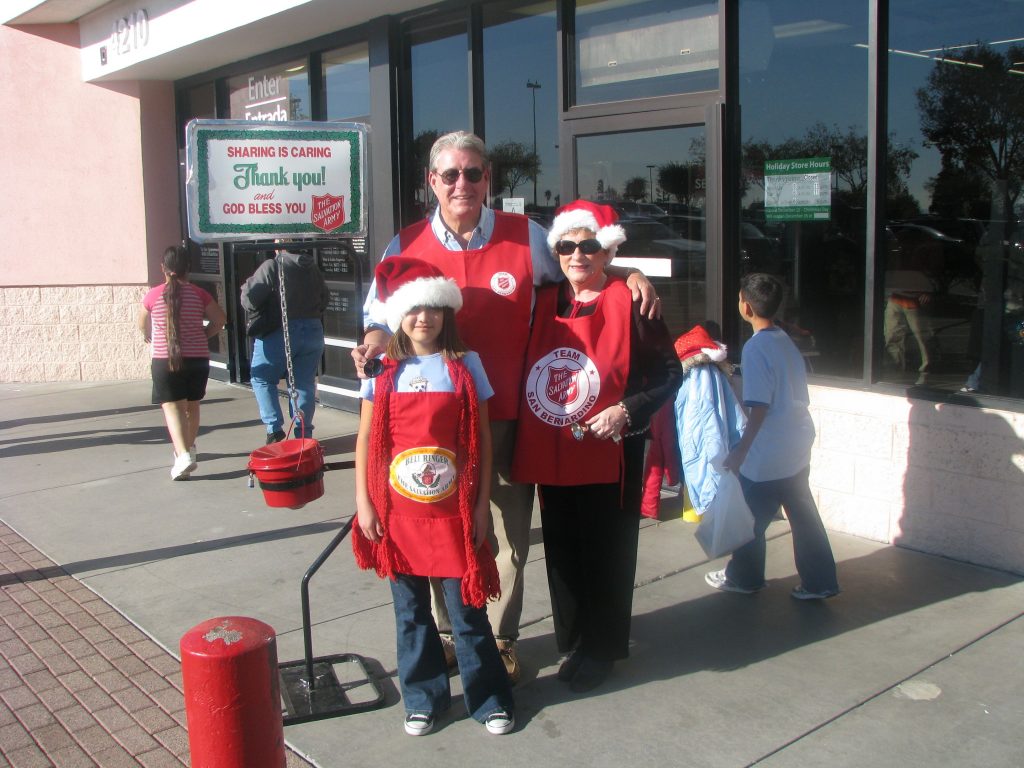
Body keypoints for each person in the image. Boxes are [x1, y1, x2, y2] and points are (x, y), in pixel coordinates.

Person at [352, 131, 661, 683]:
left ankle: (500, 638)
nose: (463, 184)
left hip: (507, 418)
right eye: (451, 174)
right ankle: (450, 635)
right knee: (432, 525)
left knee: (506, 537)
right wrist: (374, 339)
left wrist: (628, 274)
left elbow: (580, 271)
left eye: (473, 173)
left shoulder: (528, 236)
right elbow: (379, 315)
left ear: (487, 178)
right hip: (426, 422)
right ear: (432, 182)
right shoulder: (404, 244)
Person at [511, 200, 683, 693]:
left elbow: (668, 374)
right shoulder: (543, 299)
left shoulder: (633, 302)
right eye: (567, 246)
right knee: (563, 549)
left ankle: (603, 647)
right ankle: (575, 639)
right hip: (554, 450)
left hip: (611, 452)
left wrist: (628, 410)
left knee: (607, 551)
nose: (577, 255)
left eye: (589, 245)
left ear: (607, 250)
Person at [351, 256, 515, 737]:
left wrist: (481, 505)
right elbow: (365, 438)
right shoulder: (382, 370)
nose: (423, 318)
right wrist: (364, 502)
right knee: (411, 614)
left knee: (467, 613)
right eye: (413, 310)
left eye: (432, 309)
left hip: (453, 514)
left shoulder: (465, 366)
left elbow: (481, 442)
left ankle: (488, 699)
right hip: (396, 514)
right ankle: (423, 699)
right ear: (398, 316)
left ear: (446, 313)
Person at [706, 272, 840, 600]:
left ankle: (744, 577)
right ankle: (820, 582)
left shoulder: (756, 348)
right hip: (797, 440)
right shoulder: (783, 339)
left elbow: (759, 407)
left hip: (770, 448)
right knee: (802, 514)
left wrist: (741, 451)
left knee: (749, 516)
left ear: (746, 307)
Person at [138, 245, 226, 480]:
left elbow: (141, 323)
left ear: (163, 268)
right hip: (197, 359)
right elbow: (220, 320)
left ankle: (183, 454)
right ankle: (187, 451)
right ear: (188, 268)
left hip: (166, 359)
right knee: (192, 406)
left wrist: (148, 334)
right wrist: (203, 335)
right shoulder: (199, 294)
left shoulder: (153, 295)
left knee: (172, 407)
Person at [241, 249, 329, 442]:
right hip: (313, 328)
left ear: (279, 242)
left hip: (280, 330)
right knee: (303, 384)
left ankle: (274, 429)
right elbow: (325, 298)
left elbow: (249, 300)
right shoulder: (312, 268)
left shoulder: (272, 265)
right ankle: (303, 434)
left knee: (262, 378)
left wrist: (246, 286)